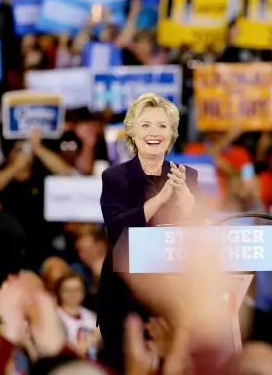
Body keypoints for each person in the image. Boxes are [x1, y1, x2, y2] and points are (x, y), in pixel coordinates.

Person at [98, 93, 198, 373]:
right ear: (132, 132)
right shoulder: (114, 177)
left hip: (174, 294)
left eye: (162, 126)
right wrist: (161, 199)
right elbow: (117, 228)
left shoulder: (187, 175)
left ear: (172, 133)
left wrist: (187, 201)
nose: (155, 132)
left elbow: (198, 229)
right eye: (146, 125)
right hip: (125, 295)